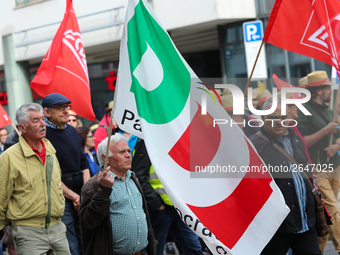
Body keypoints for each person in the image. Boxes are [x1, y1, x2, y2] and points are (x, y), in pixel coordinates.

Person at [249, 99, 321, 255]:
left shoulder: (296, 139)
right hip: (277, 227)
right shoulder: (254, 145)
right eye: (274, 118)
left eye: (283, 117)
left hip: (305, 222)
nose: (279, 122)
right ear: (263, 119)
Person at [0, 103, 70, 255]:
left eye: (43, 119)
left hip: (57, 227)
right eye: (35, 120)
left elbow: (57, 185)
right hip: (28, 232)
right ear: (22, 128)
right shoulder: (9, 157)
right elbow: (1, 196)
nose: (42, 124)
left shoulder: (51, 151)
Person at [79, 133, 157, 255]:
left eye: (129, 151)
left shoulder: (133, 178)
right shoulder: (94, 184)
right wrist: (103, 191)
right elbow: (88, 222)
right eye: (122, 152)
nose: (128, 155)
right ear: (105, 158)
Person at [131, 139, 204, 255]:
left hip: (178, 206)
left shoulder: (173, 136)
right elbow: (138, 175)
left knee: (194, 248)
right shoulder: (146, 140)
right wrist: (157, 204)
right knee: (154, 251)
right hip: (160, 209)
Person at [296, 70, 340, 254]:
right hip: (317, 169)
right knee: (333, 211)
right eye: (328, 87)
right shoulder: (302, 110)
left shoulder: (329, 110)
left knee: (324, 216)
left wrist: (336, 146)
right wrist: (325, 131)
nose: (331, 90)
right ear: (320, 91)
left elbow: (338, 136)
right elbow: (302, 141)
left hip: (335, 168)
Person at [42, 93, 90, 255]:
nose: (66, 111)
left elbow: (83, 161)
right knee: (70, 244)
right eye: (60, 108)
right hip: (59, 197)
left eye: (67, 107)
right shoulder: (43, 136)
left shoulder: (72, 131)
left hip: (80, 192)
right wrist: (74, 196)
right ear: (47, 112)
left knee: (86, 239)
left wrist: (85, 191)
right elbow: (48, 174)